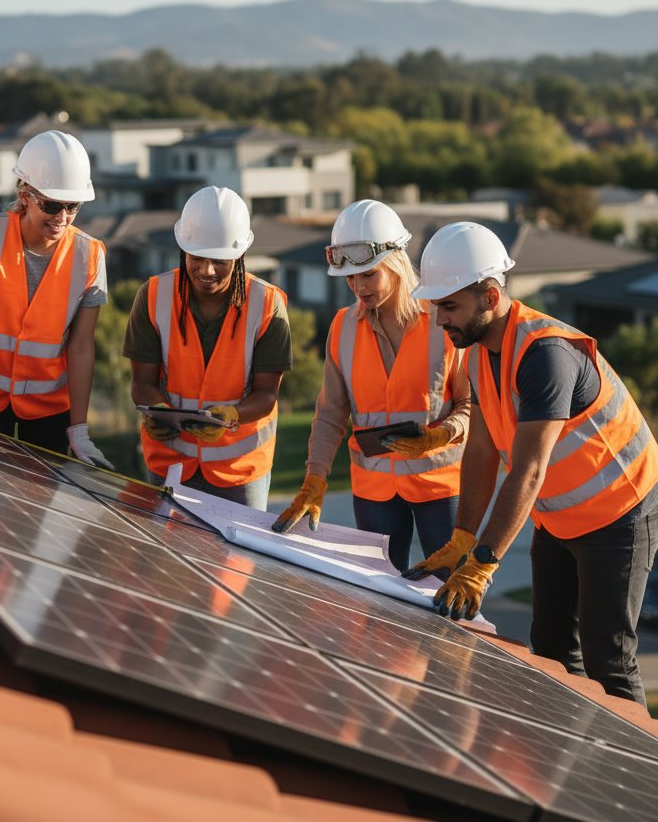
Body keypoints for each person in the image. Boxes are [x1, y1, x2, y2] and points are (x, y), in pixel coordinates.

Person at [407, 221, 658, 705]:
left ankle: (637, 774)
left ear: (490, 296)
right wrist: (463, 537)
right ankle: (574, 757)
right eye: (437, 306)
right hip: (559, 518)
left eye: (450, 306)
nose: (440, 320)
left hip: (619, 514)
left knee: (610, 659)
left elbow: (528, 470)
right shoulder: (480, 351)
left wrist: (483, 563)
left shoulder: (546, 355)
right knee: (551, 651)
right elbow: (480, 452)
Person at [272, 200, 470, 572]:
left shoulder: (442, 322)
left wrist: (438, 437)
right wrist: (315, 478)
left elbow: (471, 405)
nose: (358, 287)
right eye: (350, 278)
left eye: (368, 275)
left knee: (447, 592)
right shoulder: (342, 327)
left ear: (395, 262)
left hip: (441, 488)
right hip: (373, 491)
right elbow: (331, 413)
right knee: (381, 603)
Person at [123, 186, 292, 510]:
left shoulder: (267, 304)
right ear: (183, 249)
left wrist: (232, 415)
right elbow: (141, 383)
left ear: (239, 255)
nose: (207, 270)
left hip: (240, 472)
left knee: (236, 562)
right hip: (170, 464)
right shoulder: (154, 295)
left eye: (219, 260)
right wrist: (157, 411)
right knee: (167, 559)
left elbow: (267, 394)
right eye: (197, 257)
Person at [0, 129, 112, 466]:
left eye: (73, 206)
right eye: (52, 205)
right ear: (25, 195)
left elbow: (81, 346)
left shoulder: (91, 256)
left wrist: (79, 428)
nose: (62, 217)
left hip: (49, 413)